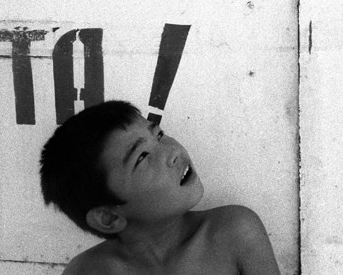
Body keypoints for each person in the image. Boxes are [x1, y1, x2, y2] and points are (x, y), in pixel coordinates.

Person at [40, 100, 280, 274]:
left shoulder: (234, 232)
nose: (173, 151)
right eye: (142, 157)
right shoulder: (87, 272)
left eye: (160, 134)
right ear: (109, 216)